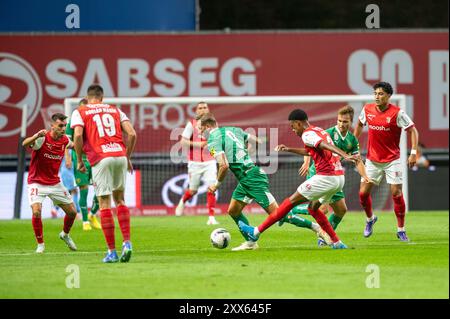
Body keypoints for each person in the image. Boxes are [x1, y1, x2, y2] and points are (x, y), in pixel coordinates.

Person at [200, 113, 332, 251]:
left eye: (201, 130)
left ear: (207, 126)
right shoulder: (233, 129)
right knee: (233, 211)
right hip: (247, 178)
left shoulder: (213, 140)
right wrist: (244, 154)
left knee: (279, 214)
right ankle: (251, 243)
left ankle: (318, 229)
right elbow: (257, 141)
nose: (201, 133)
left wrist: (216, 185)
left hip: (252, 179)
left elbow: (224, 165)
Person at [238, 109, 367, 249]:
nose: (293, 130)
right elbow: (311, 150)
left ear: (298, 123)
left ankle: (255, 232)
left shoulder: (307, 134)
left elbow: (324, 145)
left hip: (326, 177)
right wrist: (288, 149)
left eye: (293, 126)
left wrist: (345, 155)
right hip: (338, 178)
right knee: (314, 209)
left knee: (290, 202)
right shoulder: (318, 130)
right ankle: (336, 242)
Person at [280, 105, 370, 246]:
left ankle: (292, 213)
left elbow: (357, 160)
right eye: (339, 121)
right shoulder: (328, 133)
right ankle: (321, 234)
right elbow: (310, 147)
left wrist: (365, 176)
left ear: (350, 122)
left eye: (345, 122)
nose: (341, 124)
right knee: (321, 208)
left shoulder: (352, 140)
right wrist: (306, 162)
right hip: (320, 173)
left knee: (341, 210)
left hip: (334, 174)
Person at [71, 84, 137, 263]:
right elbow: (132, 134)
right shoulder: (115, 110)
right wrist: (127, 157)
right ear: (102, 97)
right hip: (119, 156)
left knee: (104, 203)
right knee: (120, 200)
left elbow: (77, 136)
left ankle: (112, 252)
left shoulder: (80, 111)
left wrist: (78, 159)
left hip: (101, 158)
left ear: (88, 96)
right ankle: (127, 242)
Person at [354, 81, 419, 242]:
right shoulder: (367, 109)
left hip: (393, 160)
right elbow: (359, 124)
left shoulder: (397, 113)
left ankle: (401, 230)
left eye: (381, 94)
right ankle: (370, 219)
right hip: (372, 160)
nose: (377, 96)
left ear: (389, 96)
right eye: (375, 93)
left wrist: (413, 153)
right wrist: (353, 145)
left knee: (396, 193)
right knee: (363, 194)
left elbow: (413, 130)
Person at [22, 113, 78, 253]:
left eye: (65, 126)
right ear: (52, 125)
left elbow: (74, 145)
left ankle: (65, 234)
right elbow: (25, 144)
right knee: (36, 212)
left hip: (54, 183)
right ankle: (40, 244)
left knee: (72, 212)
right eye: (60, 126)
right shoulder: (42, 138)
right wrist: (35, 136)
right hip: (36, 182)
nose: (63, 128)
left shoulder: (64, 140)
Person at [175, 102, 219, 225]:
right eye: (200, 108)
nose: (203, 109)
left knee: (211, 187)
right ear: (196, 111)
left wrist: (214, 151)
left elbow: (215, 141)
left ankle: (211, 217)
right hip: (194, 162)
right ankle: (182, 202)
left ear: (208, 109)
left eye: (205, 107)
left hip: (210, 161)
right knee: (193, 190)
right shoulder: (191, 124)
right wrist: (197, 144)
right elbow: (183, 142)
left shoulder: (214, 124)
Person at [66, 98, 101, 231]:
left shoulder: (96, 121)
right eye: (82, 108)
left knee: (100, 190)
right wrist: (68, 158)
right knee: (84, 189)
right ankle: (85, 221)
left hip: (96, 157)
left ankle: (92, 215)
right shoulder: (73, 122)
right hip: (80, 158)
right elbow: (67, 141)